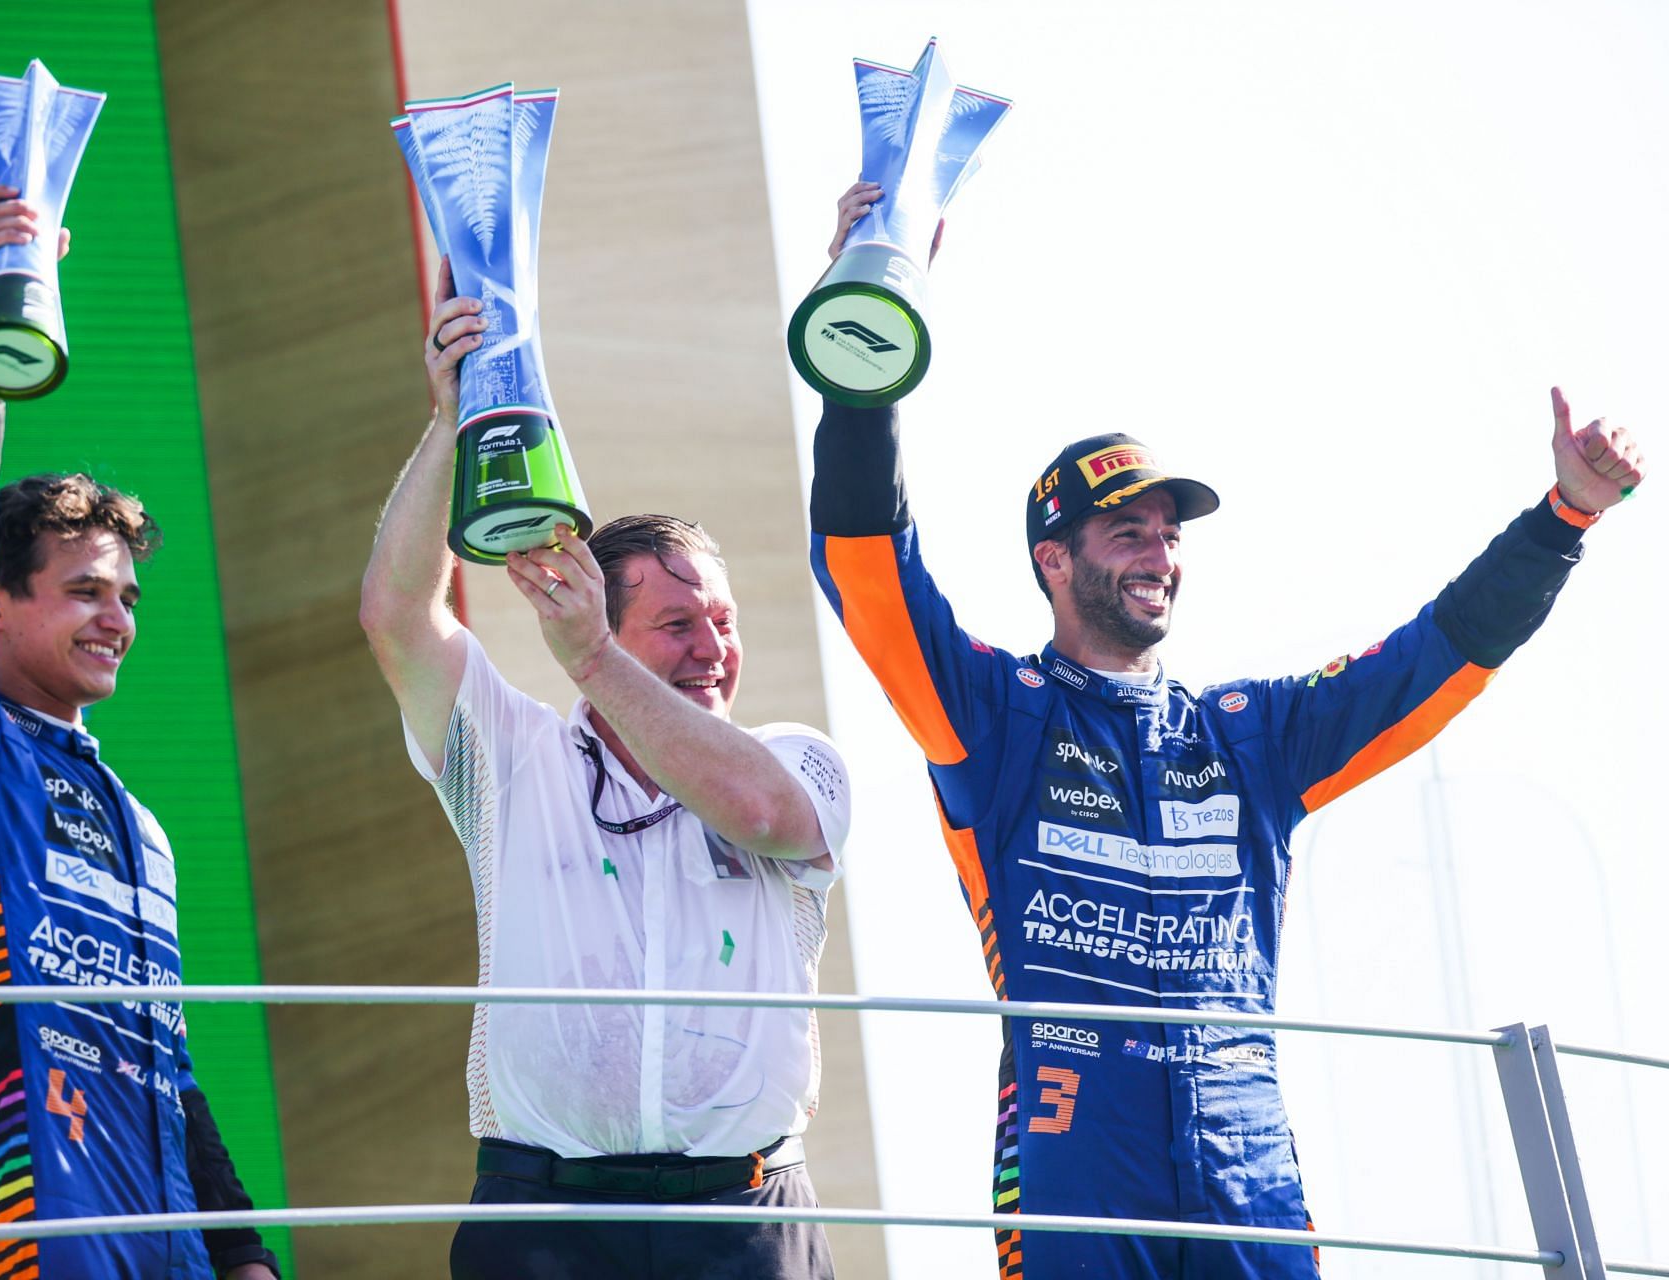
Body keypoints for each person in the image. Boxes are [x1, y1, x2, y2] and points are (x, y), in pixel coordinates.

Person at [806, 182, 1646, 1280]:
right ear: (1052, 560)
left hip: (1247, 1157)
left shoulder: (1251, 734)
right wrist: (865, 360)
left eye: (1167, 532)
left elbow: (1437, 656)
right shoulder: (994, 715)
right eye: (1125, 531)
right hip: (1072, 1160)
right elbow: (869, 569)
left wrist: (1561, 519)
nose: (1158, 552)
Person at [360, 260, 851, 1280]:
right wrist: (452, 421)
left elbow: (759, 807)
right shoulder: (513, 752)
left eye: (723, 622)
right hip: (544, 1216)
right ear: (610, 621)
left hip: (749, 1216)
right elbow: (398, 616)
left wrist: (594, 657)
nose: (712, 647)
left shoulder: (795, 756)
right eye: (676, 624)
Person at [0, 186, 280, 1280]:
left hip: (171, 1249)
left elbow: (168, 1062)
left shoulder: (140, 826)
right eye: (85, 590)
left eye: (131, 597)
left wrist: (243, 1253)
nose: (117, 617)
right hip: (32, 1237)